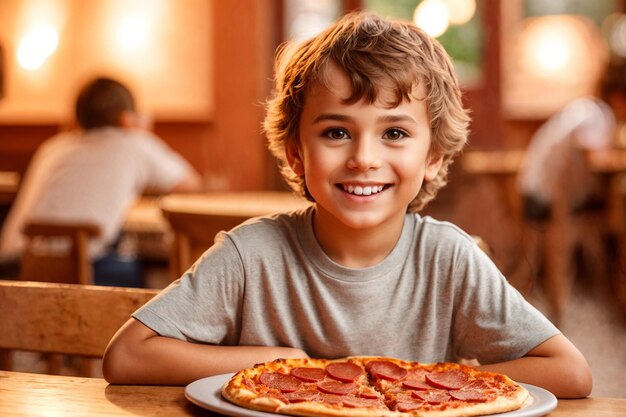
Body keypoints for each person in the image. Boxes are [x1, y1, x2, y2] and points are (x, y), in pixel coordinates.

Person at [102, 12, 591, 398]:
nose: (363, 158)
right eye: (336, 132)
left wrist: (419, 384)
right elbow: (126, 356)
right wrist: (283, 362)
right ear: (296, 152)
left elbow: (569, 371)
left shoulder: (450, 259)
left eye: (394, 133)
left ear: (433, 155)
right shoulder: (250, 255)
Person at [0, 77, 202, 285]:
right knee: (150, 276)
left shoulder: (53, 147)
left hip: (10, 268)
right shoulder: (135, 143)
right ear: (127, 118)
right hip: (73, 273)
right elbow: (191, 185)